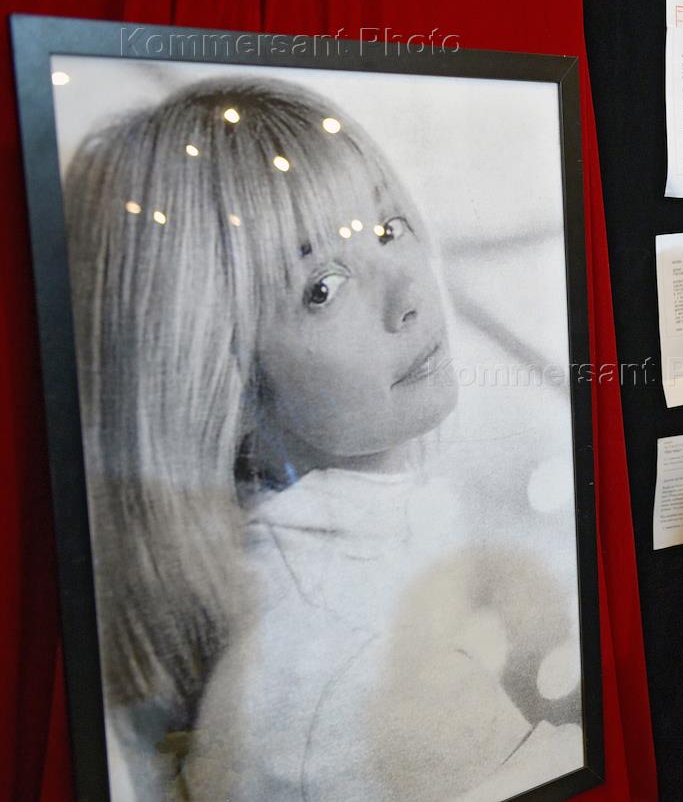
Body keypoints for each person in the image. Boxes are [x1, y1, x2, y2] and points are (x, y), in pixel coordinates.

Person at [63, 77, 581, 801]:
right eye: (322, 287)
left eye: (388, 228)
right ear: (224, 385)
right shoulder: (346, 659)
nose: (407, 293)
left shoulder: (375, 543)